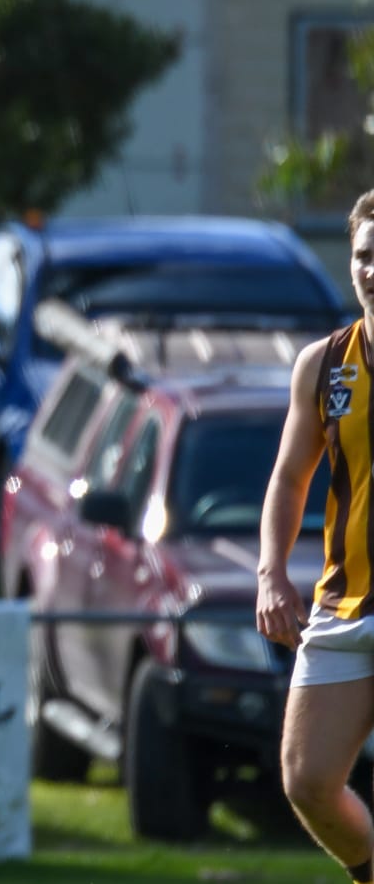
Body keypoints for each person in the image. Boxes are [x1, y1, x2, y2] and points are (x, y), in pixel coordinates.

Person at [259, 188, 374, 883]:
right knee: (306, 778)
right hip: (344, 605)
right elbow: (286, 480)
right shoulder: (325, 363)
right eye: (365, 255)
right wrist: (271, 571)